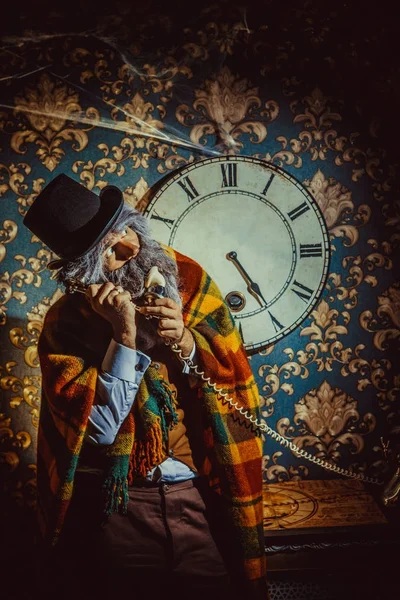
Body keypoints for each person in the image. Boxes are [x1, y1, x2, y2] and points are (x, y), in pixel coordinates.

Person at [24, 174, 267, 600]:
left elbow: (232, 377)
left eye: (125, 230)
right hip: (117, 510)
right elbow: (97, 430)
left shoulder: (188, 280)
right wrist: (123, 336)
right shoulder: (66, 324)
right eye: (109, 252)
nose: (130, 247)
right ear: (86, 275)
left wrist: (188, 342)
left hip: (196, 500)